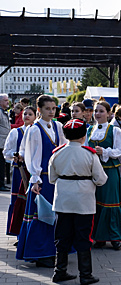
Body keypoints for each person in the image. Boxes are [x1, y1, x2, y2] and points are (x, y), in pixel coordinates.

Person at [48, 119, 108, 285]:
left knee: (62, 236)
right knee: (83, 236)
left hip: (62, 200)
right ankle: (85, 274)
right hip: (84, 201)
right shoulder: (89, 154)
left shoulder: (57, 153)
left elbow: (52, 179)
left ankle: (59, 271)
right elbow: (101, 179)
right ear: (84, 136)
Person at [17, 94, 67, 267]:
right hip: (42, 179)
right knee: (42, 216)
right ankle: (41, 253)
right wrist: (36, 179)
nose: (52, 112)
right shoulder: (35, 129)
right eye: (48, 109)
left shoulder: (58, 126)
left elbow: (63, 149)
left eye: (54, 108)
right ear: (39, 110)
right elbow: (32, 156)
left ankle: (53, 250)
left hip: (55, 178)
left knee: (55, 215)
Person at [86, 101, 121, 250]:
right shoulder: (90, 129)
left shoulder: (114, 130)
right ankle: (99, 236)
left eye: (101, 111)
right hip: (93, 171)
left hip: (109, 169)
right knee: (96, 203)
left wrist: (105, 152)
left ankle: (115, 236)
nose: (98, 114)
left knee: (111, 202)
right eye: (96, 111)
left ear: (109, 113)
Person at [4, 106, 36, 236]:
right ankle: (18, 232)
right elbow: (6, 152)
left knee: (32, 201)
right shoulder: (15, 132)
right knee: (18, 201)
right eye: (25, 114)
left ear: (35, 116)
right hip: (20, 171)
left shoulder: (38, 131)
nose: (27, 116)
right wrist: (16, 155)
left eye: (30, 114)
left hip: (33, 171)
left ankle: (31, 232)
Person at [0, 94, 11, 191]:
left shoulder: (4, 112)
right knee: (1, 165)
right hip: (0, 143)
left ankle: (2, 183)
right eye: (5, 100)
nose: (8, 102)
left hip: (3, 143)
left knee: (2, 165)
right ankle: (1, 184)